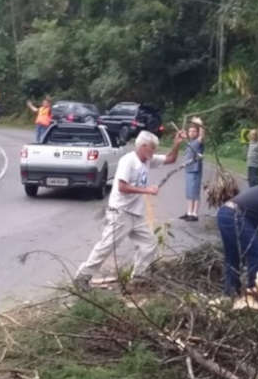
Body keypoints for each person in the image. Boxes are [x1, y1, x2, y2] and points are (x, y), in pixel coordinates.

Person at [73, 130, 186, 290]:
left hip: (136, 214)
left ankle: (139, 277)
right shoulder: (128, 161)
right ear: (143, 146)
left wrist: (176, 144)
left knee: (149, 243)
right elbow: (122, 186)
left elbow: (171, 159)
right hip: (121, 212)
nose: (154, 152)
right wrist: (147, 190)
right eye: (152, 148)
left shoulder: (147, 160)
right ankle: (82, 277)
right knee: (106, 246)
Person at [180, 117, 206, 222]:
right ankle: (188, 211)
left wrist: (200, 123)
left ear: (197, 133)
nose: (191, 133)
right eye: (190, 131)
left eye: (194, 131)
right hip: (188, 169)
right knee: (189, 191)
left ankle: (194, 213)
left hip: (195, 170)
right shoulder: (189, 143)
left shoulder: (198, 142)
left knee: (195, 192)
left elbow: (202, 134)